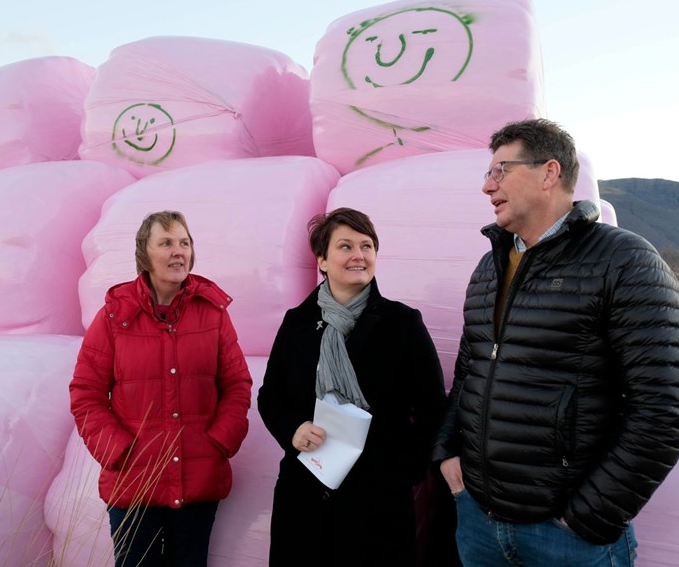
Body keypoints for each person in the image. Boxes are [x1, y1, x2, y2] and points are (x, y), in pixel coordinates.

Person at [433, 119, 679, 566]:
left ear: (549, 172)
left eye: (500, 171)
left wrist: (589, 516)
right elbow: (469, 371)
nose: (486, 186)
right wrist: (447, 452)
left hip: (567, 538)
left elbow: (666, 406)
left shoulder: (624, 260)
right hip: (479, 520)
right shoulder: (489, 266)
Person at [258, 207, 448, 566]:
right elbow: (272, 396)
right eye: (345, 246)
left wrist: (402, 471)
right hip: (305, 496)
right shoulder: (297, 322)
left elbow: (432, 407)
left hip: (377, 501)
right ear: (322, 260)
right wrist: (292, 431)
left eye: (367, 246)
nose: (359, 255)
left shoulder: (402, 324)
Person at [70, 210, 252, 567]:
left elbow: (237, 385)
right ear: (145, 253)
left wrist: (218, 442)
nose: (178, 252)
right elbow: (86, 394)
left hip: (198, 477)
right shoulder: (114, 316)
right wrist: (121, 453)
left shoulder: (212, 313)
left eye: (184, 243)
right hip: (133, 485)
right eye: (166, 243)